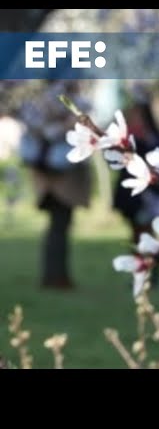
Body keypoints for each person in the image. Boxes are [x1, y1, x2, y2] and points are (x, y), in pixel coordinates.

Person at [19, 81, 92, 289]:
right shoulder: (58, 103)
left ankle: (56, 275)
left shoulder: (43, 101)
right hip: (60, 177)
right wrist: (65, 125)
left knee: (58, 228)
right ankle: (56, 277)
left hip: (51, 175)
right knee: (58, 228)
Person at [113, 98, 159, 286]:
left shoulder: (155, 136)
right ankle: (139, 272)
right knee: (137, 235)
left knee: (151, 235)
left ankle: (153, 274)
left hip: (152, 195)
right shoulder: (128, 138)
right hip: (133, 198)